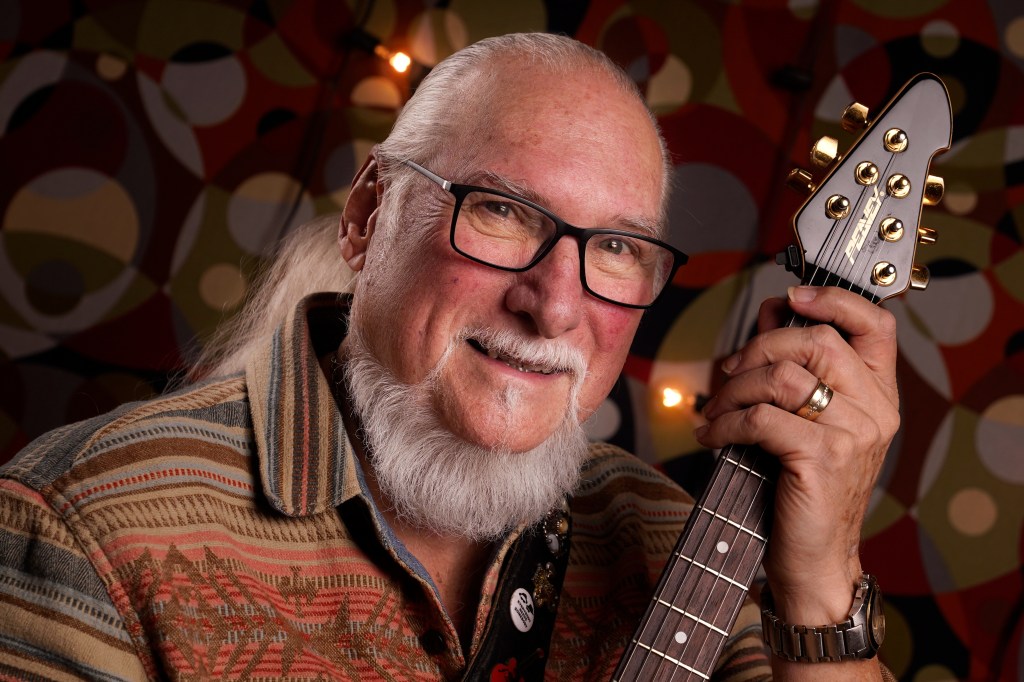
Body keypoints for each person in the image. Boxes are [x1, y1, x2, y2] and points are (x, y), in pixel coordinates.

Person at [0, 33, 899, 681]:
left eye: (618, 249)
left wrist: (820, 591)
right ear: (367, 219)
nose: (554, 304)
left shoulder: (675, 545)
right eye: (502, 212)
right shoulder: (83, 528)